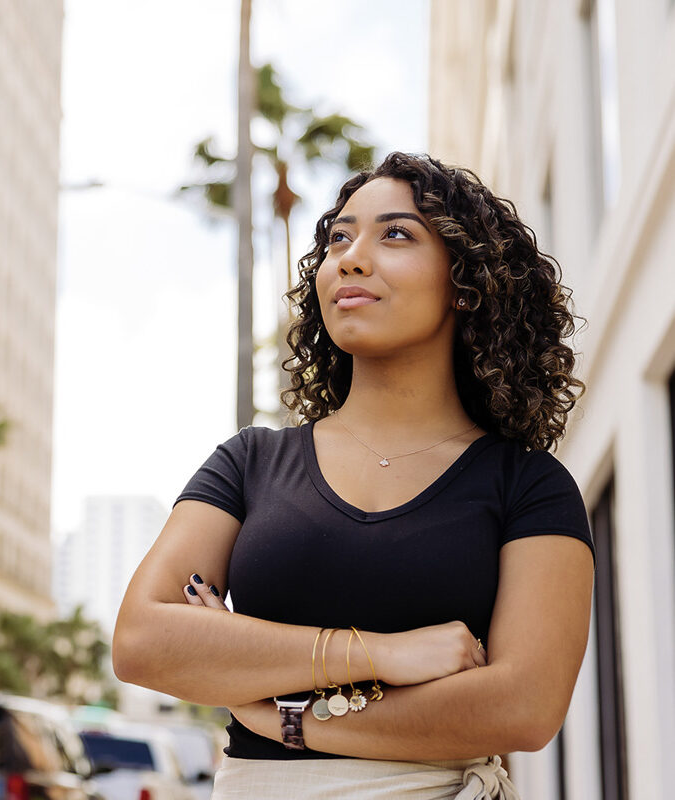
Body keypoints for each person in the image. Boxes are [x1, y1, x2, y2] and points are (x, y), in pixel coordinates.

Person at [113, 152, 595, 799]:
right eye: (340, 237)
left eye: (395, 234)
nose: (351, 257)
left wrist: (290, 719)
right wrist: (380, 654)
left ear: (466, 280)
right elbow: (144, 641)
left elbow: (523, 707)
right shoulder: (251, 462)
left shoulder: (528, 485)